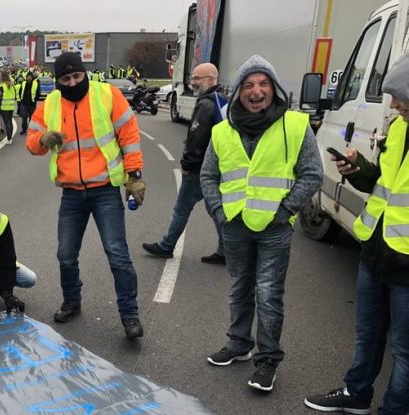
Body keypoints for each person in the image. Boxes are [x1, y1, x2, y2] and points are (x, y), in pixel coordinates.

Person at [304, 55, 409, 415]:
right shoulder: (399, 129)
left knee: (404, 349)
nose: (395, 106)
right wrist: (358, 170)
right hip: (376, 248)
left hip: (407, 264)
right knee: (367, 333)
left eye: (401, 98)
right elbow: (384, 183)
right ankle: (357, 394)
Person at [201, 55, 322, 391]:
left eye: (263, 84)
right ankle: (238, 345)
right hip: (235, 224)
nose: (257, 91)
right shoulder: (222, 131)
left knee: (269, 294)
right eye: (249, 85)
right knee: (239, 287)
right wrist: (219, 211)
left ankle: (267, 360)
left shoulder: (295, 125)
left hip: (275, 228)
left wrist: (286, 210)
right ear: (239, 91)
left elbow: (312, 173)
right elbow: (209, 175)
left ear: (274, 89)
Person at [25, 51, 146, 339]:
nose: (73, 82)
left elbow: (129, 136)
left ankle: (130, 315)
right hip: (72, 193)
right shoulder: (50, 103)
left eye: (77, 76)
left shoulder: (107, 95)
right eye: (65, 79)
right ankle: (72, 301)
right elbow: (32, 143)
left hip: (105, 190)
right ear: (58, 81)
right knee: (65, 255)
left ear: (85, 74)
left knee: (117, 254)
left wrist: (134, 175)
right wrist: (43, 139)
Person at [142, 62, 227, 264]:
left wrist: (187, 164)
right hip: (215, 167)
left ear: (211, 79)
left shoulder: (206, 104)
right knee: (215, 209)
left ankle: (166, 246)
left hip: (200, 168)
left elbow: (197, 137)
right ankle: (227, 249)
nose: (193, 83)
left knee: (182, 208)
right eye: (193, 78)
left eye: (197, 78)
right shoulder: (220, 100)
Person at [0, 70, 16, 144]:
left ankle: (9, 138)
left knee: (7, 123)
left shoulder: (1, 85)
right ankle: (10, 137)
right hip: (11, 106)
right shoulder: (11, 85)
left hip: (4, 106)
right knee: (10, 122)